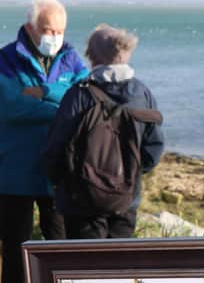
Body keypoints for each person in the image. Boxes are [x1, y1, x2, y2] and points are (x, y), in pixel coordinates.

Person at [0, 0, 88, 283]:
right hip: (14, 170)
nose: (55, 35)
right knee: (15, 242)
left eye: (60, 29)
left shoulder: (72, 58)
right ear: (30, 28)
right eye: (48, 29)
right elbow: (10, 107)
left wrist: (41, 92)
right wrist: (59, 99)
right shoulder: (6, 60)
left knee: (60, 242)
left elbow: (82, 99)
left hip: (57, 171)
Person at [42, 24, 164, 239]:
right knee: (119, 266)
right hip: (125, 200)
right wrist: (130, 174)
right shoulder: (142, 93)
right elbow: (153, 148)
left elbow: (56, 148)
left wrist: (60, 183)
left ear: (93, 56)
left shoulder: (79, 94)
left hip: (81, 202)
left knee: (84, 267)